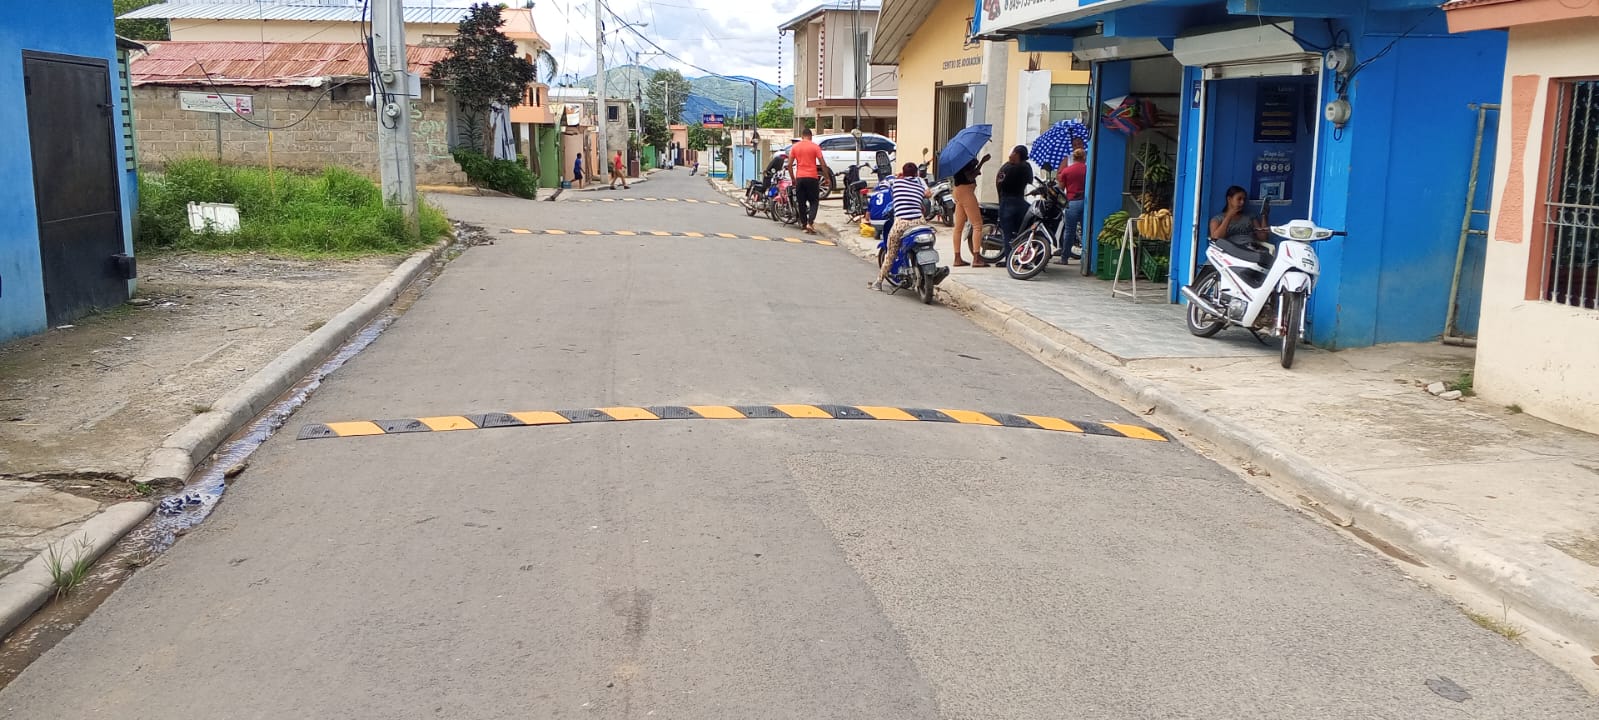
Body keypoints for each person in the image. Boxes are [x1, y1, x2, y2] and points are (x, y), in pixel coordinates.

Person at [871, 162, 934, 291]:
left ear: (903, 173)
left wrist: (900, 176)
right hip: (919, 221)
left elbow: (891, 188)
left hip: (901, 223)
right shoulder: (919, 186)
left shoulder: (896, 183)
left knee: (891, 253)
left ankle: (878, 282)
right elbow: (928, 194)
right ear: (916, 173)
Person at [1208, 185, 1273, 266]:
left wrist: (1264, 216)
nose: (1242, 202)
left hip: (1251, 250)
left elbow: (1263, 238)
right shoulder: (1217, 219)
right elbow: (1216, 238)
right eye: (1239, 199)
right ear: (1229, 199)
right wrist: (1229, 216)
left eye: (1244, 200)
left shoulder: (1250, 216)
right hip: (1232, 253)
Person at [949, 152, 991, 267]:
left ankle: (957, 258)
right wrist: (982, 162)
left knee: (958, 227)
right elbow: (970, 177)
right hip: (966, 191)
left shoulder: (957, 161)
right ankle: (976, 258)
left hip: (958, 191)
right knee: (977, 225)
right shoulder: (964, 160)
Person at [787, 128, 831, 234]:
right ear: (811, 137)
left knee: (801, 202)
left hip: (800, 178)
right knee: (814, 201)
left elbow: (789, 165)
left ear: (802, 136)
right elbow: (823, 163)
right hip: (812, 177)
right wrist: (827, 178)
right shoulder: (815, 147)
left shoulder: (795, 147)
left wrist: (793, 179)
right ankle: (810, 223)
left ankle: (804, 225)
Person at [995, 145, 1035, 254]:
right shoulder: (1026, 167)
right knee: (1023, 231)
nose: (1010, 154)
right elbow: (1030, 181)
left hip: (1007, 202)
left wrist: (1000, 199)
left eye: (1013, 152)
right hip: (1020, 202)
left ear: (1017, 154)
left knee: (1007, 235)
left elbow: (998, 183)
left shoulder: (1006, 167)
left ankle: (1009, 258)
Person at [1056, 147, 1087, 263]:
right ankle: (1086, 259)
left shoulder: (1067, 171)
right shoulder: (1088, 169)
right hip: (1086, 202)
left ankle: (1064, 258)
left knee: (1069, 231)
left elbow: (1060, 189)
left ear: (1073, 158)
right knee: (1085, 231)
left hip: (1072, 203)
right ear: (1084, 157)